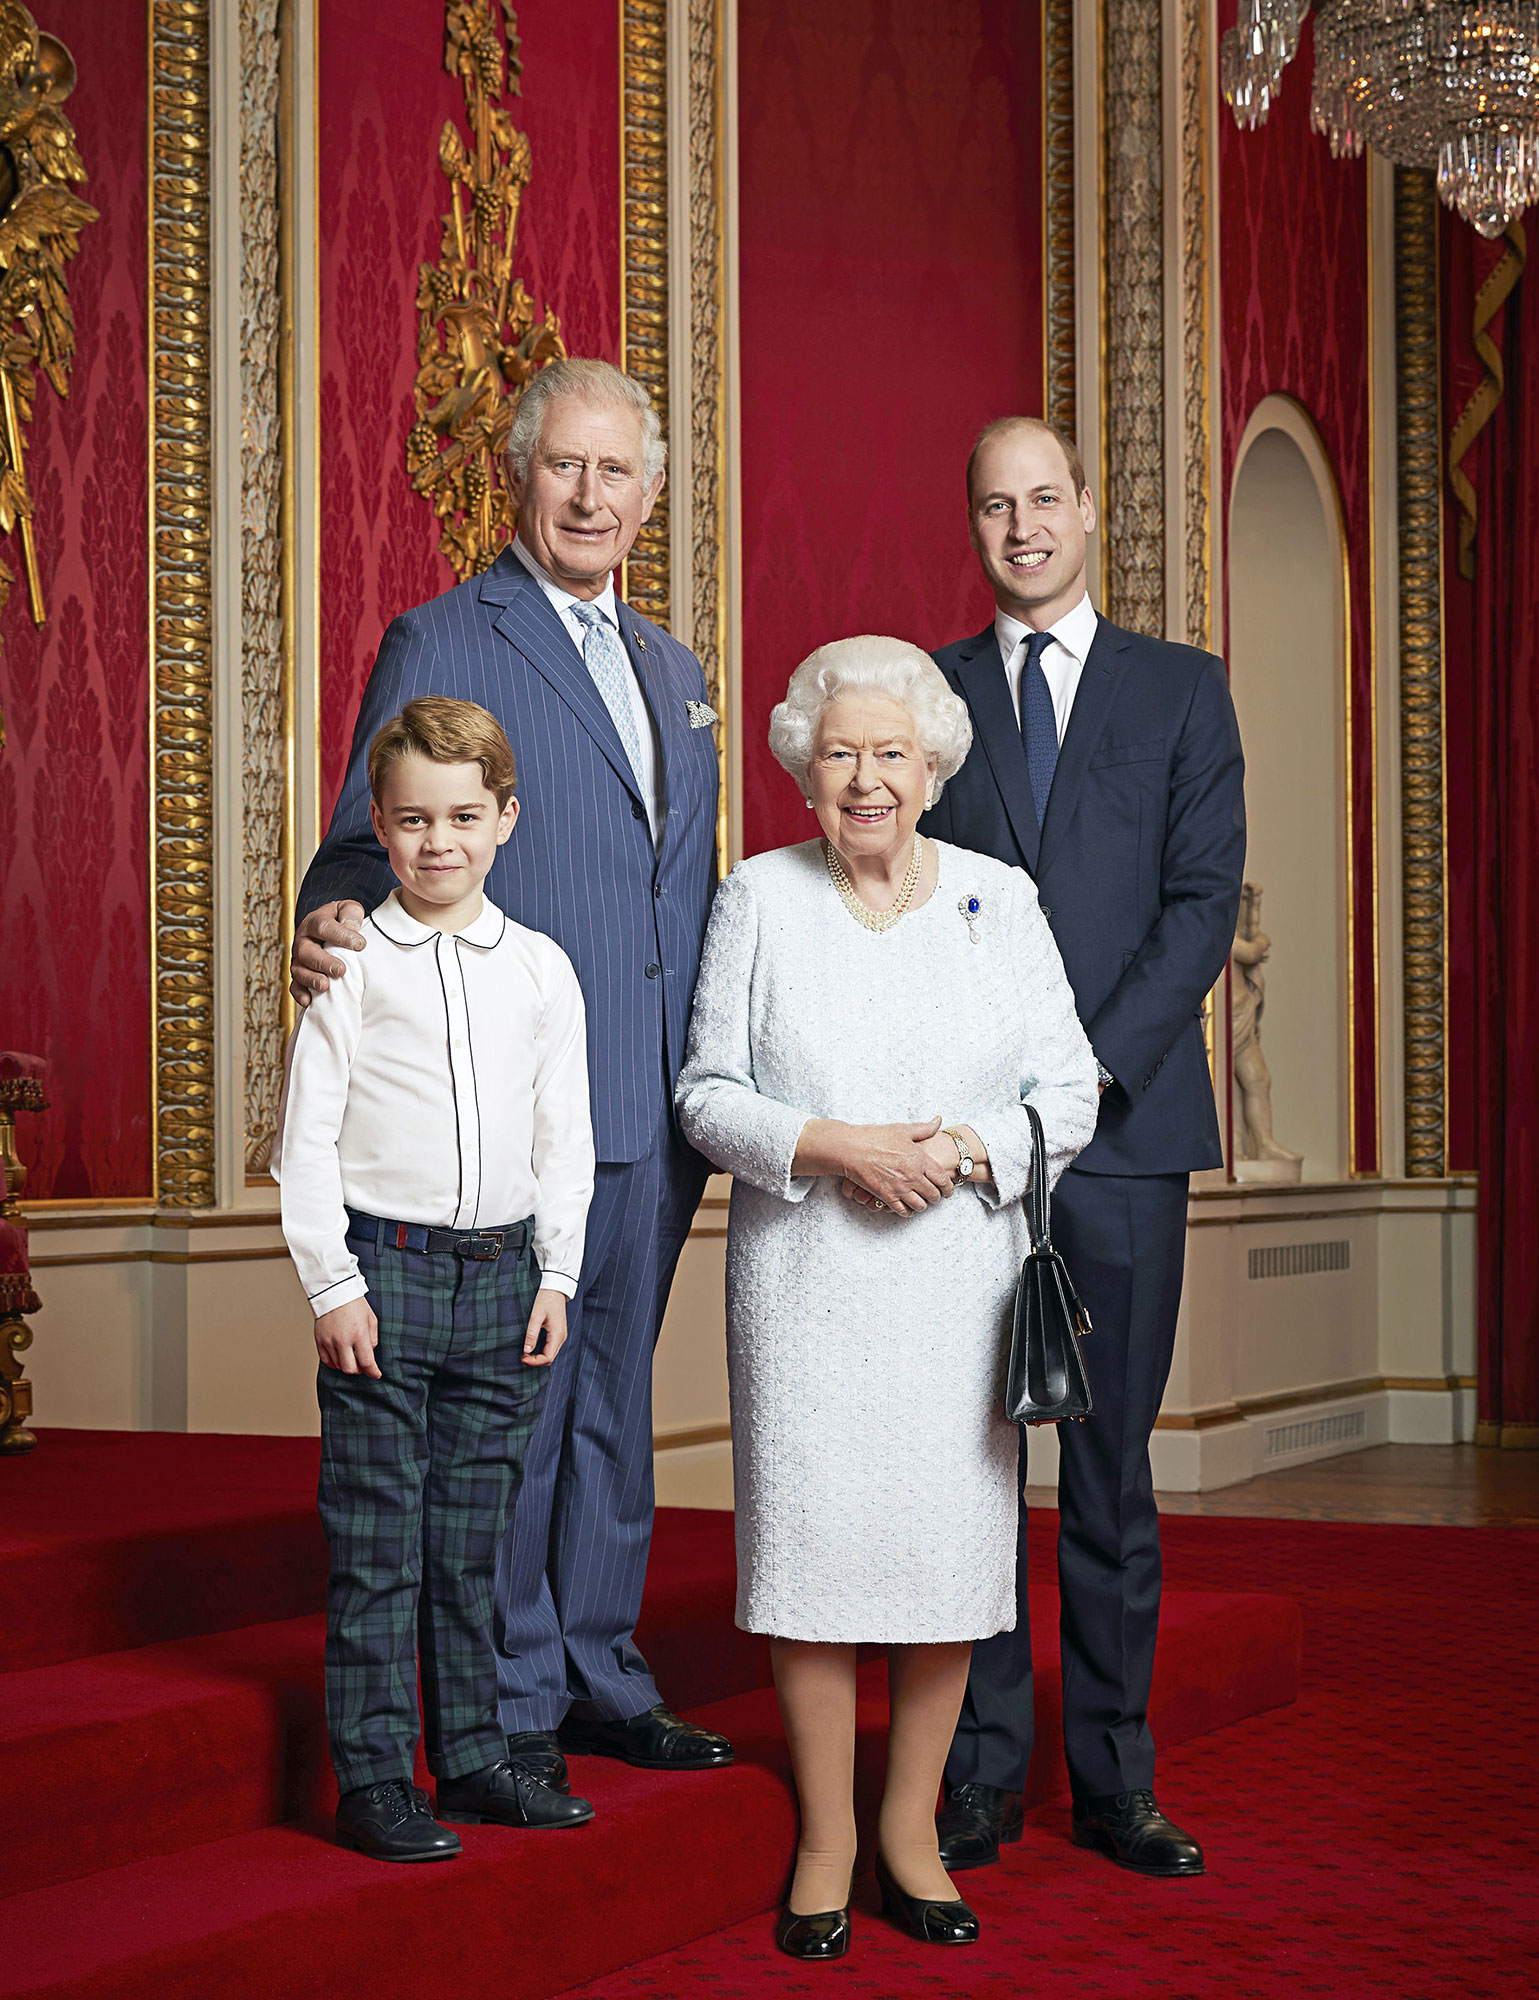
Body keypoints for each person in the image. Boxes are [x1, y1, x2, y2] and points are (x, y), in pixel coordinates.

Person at [288, 359, 733, 1805]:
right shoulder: (444, 634)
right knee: (517, 1425)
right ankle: (508, 1698)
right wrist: (335, 913)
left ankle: (601, 1668)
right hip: (518, 1101)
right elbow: (366, 836)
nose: (591, 497)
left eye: (617, 474)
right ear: (520, 478)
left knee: (614, 1401)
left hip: (657, 1101)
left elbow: (681, 890)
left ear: (649, 495)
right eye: (565, 469)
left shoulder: (675, 671)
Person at [676, 637, 1099, 1960]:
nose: (865, 780)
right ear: (804, 765)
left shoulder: (998, 897)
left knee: (942, 1563)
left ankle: (910, 1832)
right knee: (809, 1560)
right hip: (804, 1278)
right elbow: (704, 1093)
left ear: (931, 768)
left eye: (890, 755)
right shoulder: (757, 894)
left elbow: (1068, 1091)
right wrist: (832, 1147)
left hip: (952, 1280)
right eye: (840, 753)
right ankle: (823, 1839)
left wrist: (962, 1152)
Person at [921, 416, 1245, 1877]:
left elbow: (1197, 909)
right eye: (994, 506)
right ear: (974, 525)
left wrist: (1082, 1078)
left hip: (1118, 1138)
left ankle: (1113, 1777)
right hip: (969, 1149)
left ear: (1087, 512)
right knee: (976, 1469)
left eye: (1041, 499)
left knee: (1107, 1472)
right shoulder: (919, 699)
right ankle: (979, 1771)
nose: (1020, 527)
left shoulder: (1181, 693)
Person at [273, 696, 597, 1859]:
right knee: (378, 1538)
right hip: (386, 1274)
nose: (439, 841)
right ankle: (373, 1775)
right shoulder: (353, 965)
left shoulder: (544, 971)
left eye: (465, 815)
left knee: (471, 1539)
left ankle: (470, 1756)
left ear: (505, 817)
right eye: (413, 820)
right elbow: (301, 1141)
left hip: (504, 1279)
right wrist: (330, 1284)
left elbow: (566, 1134)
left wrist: (557, 1272)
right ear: (380, 822)